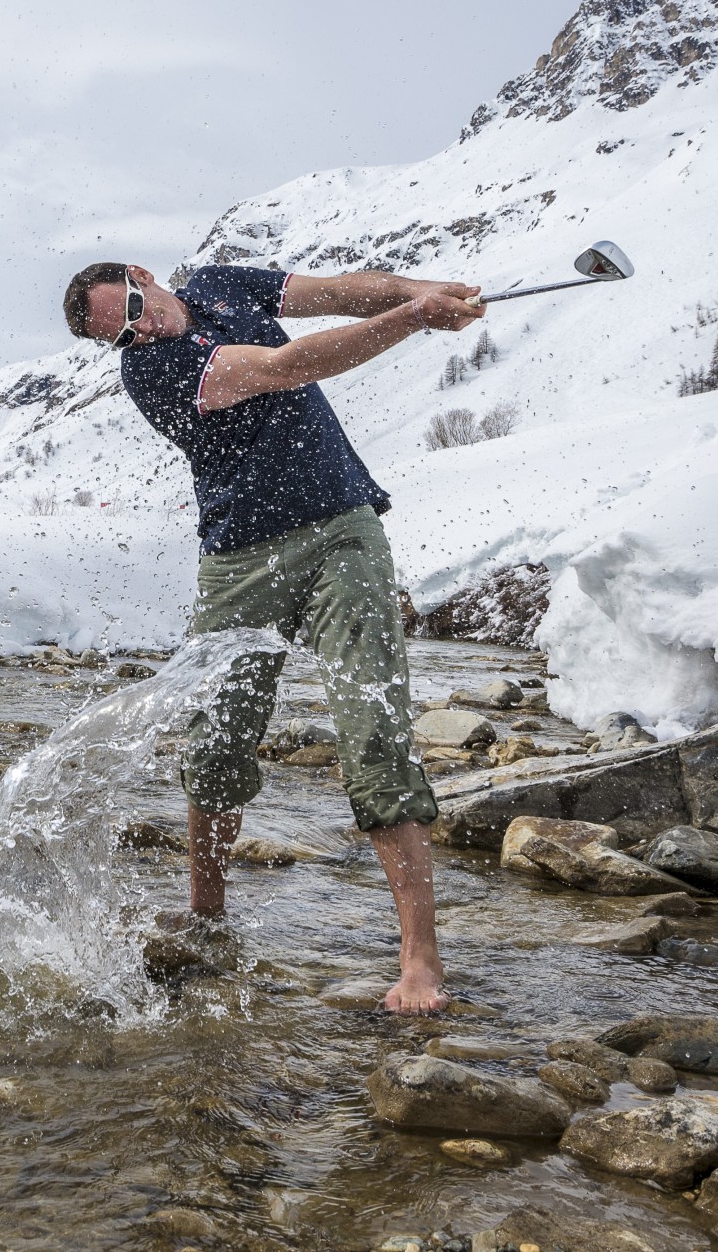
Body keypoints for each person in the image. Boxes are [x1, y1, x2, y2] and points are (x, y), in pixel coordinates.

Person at [61, 259, 484, 1014]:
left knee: (374, 732)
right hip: (239, 560)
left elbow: (335, 292)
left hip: (340, 532)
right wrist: (416, 319)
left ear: (141, 274)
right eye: (121, 332)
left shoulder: (220, 281)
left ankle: (420, 960)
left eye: (135, 306)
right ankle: (207, 913)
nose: (142, 327)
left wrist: (415, 291)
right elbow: (287, 366)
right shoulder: (150, 372)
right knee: (216, 742)